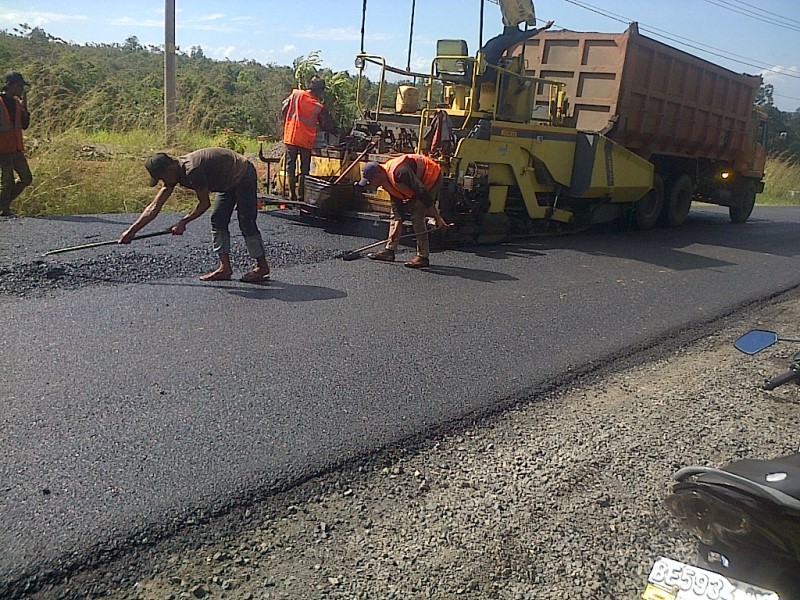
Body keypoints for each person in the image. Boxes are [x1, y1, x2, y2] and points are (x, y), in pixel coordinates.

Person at [119, 148, 270, 283]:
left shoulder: (192, 170)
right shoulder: (174, 174)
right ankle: (225, 268)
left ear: (169, 169)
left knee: (246, 221)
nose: (163, 182)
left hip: (242, 173)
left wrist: (183, 222)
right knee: (217, 220)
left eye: (162, 177)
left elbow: (204, 204)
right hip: (226, 181)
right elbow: (154, 207)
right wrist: (132, 231)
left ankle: (262, 267)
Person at [356, 154, 451, 269]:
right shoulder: (385, 181)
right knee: (394, 216)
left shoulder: (400, 172)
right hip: (416, 185)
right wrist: (398, 222)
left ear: (378, 174)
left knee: (417, 215)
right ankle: (389, 251)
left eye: (370, 180)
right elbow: (397, 206)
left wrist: (437, 218)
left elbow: (422, 193)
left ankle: (422, 256)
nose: (369, 183)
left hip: (430, 176)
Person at [281, 76, 338, 202]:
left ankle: (291, 195)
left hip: (291, 135)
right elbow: (325, 124)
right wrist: (336, 131)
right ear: (319, 90)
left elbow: (284, 109)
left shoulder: (296, 94)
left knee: (290, 166)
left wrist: (288, 122)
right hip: (306, 140)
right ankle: (301, 195)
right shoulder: (317, 105)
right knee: (304, 169)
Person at [0, 71, 32, 218]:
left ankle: (2, 205)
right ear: (12, 85)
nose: (22, 90)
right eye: (20, 86)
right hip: (3, 150)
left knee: (26, 178)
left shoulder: (17, 104)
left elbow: (24, 125)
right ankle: (4, 210)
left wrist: (25, 106)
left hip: (17, 149)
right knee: (7, 183)